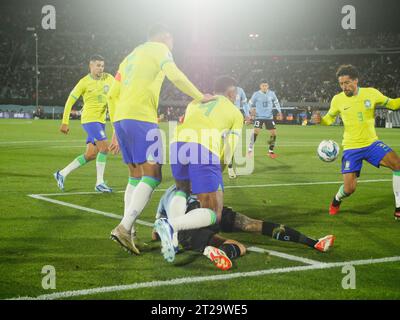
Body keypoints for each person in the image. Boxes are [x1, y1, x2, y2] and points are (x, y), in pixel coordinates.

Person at [107, 24, 215, 255]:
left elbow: (111, 95)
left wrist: (116, 127)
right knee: (154, 174)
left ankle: (131, 233)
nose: (173, 45)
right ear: (165, 37)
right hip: (141, 117)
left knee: (135, 175)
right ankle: (124, 228)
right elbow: (175, 74)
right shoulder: (160, 49)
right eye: (172, 41)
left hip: (121, 119)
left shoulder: (129, 57)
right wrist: (200, 96)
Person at [154, 76, 243, 263]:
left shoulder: (197, 101)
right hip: (204, 147)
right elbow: (230, 148)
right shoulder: (235, 112)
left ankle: (174, 239)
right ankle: (171, 225)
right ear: (231, 93)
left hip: (177, 144)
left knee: (183, 190)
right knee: (212, 213)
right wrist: (220, 169)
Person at [153, 185, 335, 270]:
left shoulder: (168, 196)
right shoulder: (201, 183)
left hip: (187, 228)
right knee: (255, 225)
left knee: (238, 246)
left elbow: (155, 233)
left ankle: (211, 250)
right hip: (212, 211)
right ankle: (314, 243)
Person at [319, 64, 400, 219]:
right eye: (341, 84)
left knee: (397, 164)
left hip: (372, 144)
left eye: (347, 82)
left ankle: (398, 207)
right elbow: (329, 119)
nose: (344, 87)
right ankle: (336, 199)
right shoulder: (337, 99)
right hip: (351, 148)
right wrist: (320, 120)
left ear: (356, 81)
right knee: (349, 189)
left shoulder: (371, 93)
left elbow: (393, 104)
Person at [54, 55, 114, 193]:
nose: (101, 68)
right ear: (91, 66)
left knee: (91, 154)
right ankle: (99, 183)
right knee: (104, 148)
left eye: (102, 66)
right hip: (89, 119)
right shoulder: (84, 82)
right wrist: (65, 122)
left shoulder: (109, 78)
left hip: (101, 121)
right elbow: (70, 101)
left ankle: (62, 173)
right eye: (98, 65)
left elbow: (119, 90)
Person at [248, 80, 283, 159]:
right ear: (260, 86)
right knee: (256, 132)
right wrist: (250, 111)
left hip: (269, 117)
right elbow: (249, 103)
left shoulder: (272, 93)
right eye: (263, 86)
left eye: (266, 85)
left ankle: (270, 151)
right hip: (259, 117)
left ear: (268, 86)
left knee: (273, 133)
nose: (264, 87)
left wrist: (279, 111)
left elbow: (276, 102)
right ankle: (250, 150)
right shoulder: (256, 94)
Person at [227, 86, 250, 179]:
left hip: (236, 118)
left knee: (232, 144)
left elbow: (244, 103)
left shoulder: (240, 90)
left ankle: (230, 167)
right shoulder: (223, 89)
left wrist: (247, 115)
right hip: (223, 117)